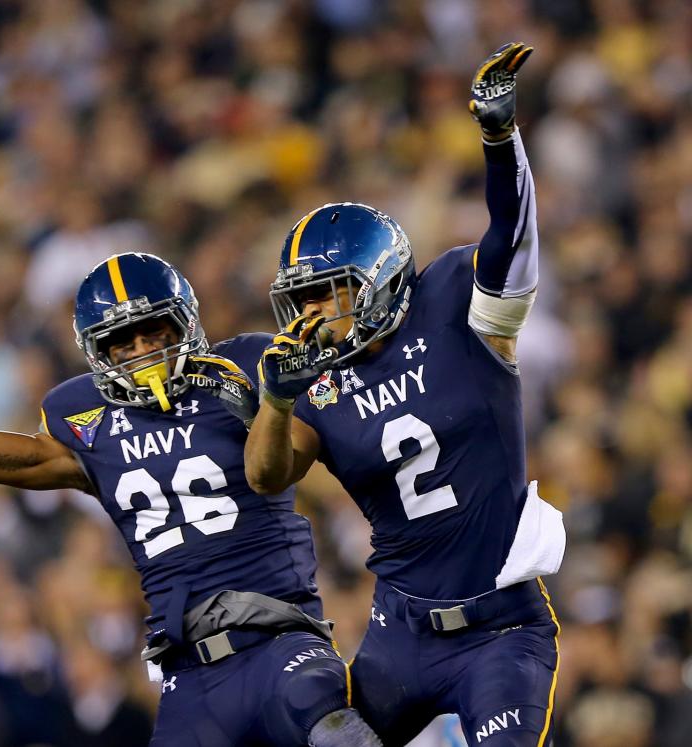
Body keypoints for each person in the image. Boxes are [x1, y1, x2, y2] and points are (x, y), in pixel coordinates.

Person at [0, 252, 381, 747]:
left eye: (155, 330)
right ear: (98, 351)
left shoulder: (246, 367)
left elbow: (327, 445)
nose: (144, 350)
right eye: (124, 340)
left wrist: (267, 402)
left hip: (282, 641)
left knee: (335, 729)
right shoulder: (83, 422)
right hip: (193, 678)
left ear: (185, 323)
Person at [245, 43, 566, 746]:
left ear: (380, 280)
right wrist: (275, 400)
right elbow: (268, 474)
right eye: (302, 299)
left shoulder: (454, 305)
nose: (314, 315)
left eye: (329, 294)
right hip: (401, 629)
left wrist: (498, 138)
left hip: (501, 627)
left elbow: (512, 236)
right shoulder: (314, 380)